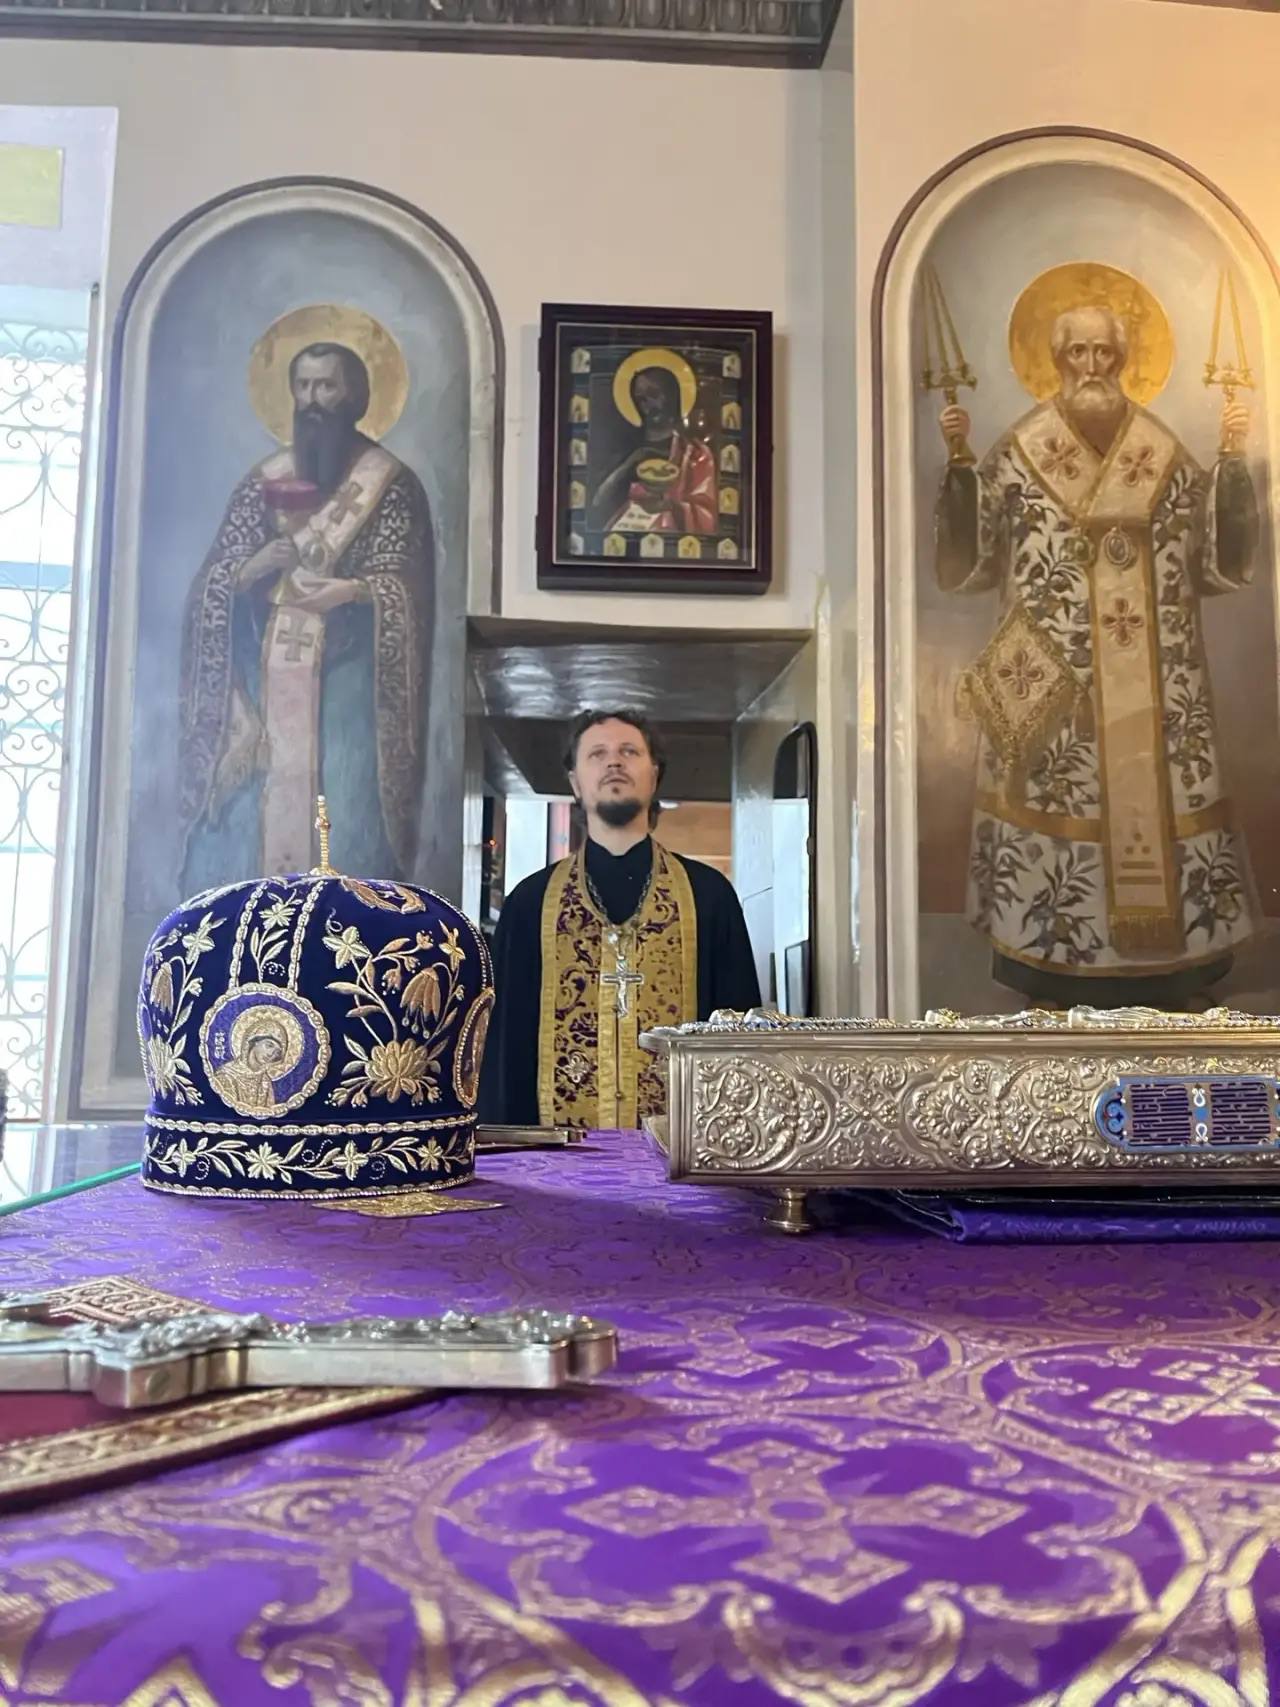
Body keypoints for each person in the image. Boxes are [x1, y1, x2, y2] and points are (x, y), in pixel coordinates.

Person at [936, 304, 1258, 1008]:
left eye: (1103, 353)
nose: (1090, 366)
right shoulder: (1023, 450)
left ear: (1121, 359)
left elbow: (1211, 562)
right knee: (1056, 802)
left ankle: (1176, 972)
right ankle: (1049, 970)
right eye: (1076, 352)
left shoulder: (1160, 451)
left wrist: (1232, 464)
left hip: (1157, 683)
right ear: (1056, 361)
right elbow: (974, 562)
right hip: (1058, 687)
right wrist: (960, 468)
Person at [179, 341, 433, 887]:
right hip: (262, 691)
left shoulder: (391, 485)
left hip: (348, 691)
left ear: (355, 396)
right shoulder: (262, 482)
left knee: (350, 827)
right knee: (241, 835)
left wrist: (352, 592)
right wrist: (251, 570)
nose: (313, 399)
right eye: (303, 386)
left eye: (327, 386)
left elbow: (405, 588)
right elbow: (212, 583)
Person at [479, 708, 761, 1129]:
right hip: (558, 1158)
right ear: (575, 782)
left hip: (683, 1155)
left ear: (654, 774)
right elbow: (504, 1050)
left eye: (629, 751)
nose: (614, 762)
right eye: (597, 754)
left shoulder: (709, 896)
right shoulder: (530, 904)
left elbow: (740, 1042)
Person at [590, 366, 717, 536]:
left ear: (672, 396)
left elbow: (706, 515)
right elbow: (597, 504)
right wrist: (629, 465)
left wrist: (670, 506)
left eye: (653, 394)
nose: (647, 403)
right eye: (640, 398)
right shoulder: (623, 451)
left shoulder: (695, 454)